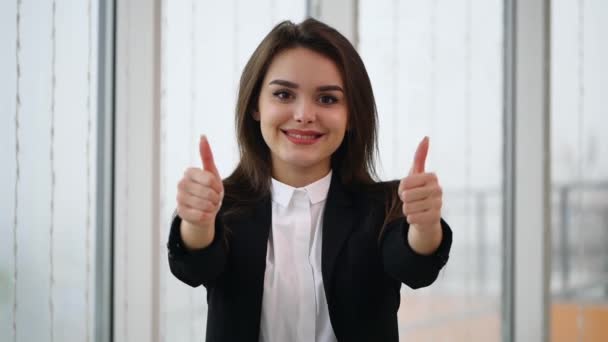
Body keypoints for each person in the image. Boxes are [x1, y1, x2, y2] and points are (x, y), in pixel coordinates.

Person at [167, 18, 452, 342]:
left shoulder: (383, 205)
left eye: (327, 99)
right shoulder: (223, 203)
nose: (304, 114)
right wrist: (199, 222)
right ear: (256, 105)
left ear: (352, 116)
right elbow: (194, 268)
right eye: (284, 94)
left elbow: (414, 268)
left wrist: (426, 227)